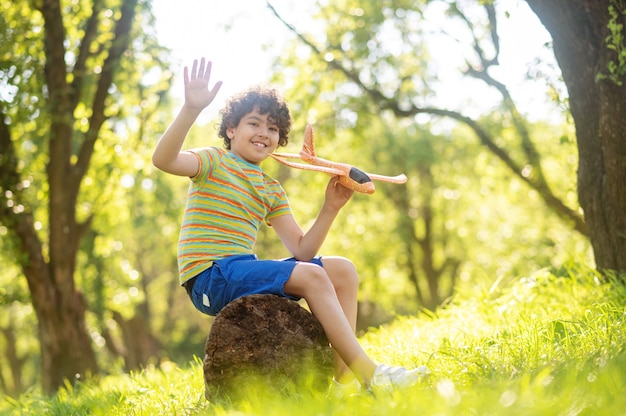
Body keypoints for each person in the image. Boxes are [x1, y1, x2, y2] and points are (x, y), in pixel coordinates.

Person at [152, 57, 428, 393]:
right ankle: (372, 375)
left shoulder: (271, 188)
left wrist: (330, 208)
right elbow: (163, 160)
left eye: (273, 128)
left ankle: (344, 384)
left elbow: (301, 250)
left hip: (241, 269)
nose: (264, 133)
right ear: (231, 129)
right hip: (210, 277)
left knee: (342, 270)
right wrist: (190, 110)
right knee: (312, 274)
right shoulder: (213, 160)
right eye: (254, 123)